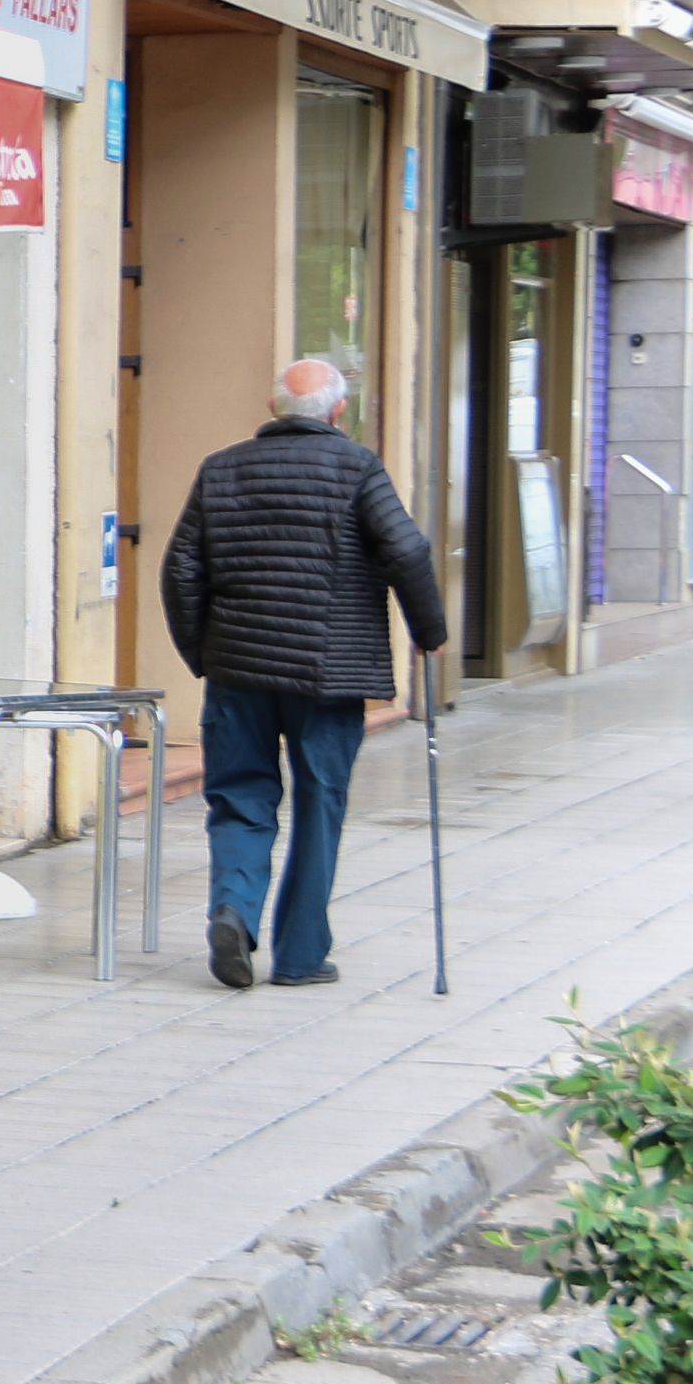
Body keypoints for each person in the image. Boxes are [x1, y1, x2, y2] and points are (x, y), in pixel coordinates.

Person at [158, 358, 448, 992]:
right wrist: (430, 633)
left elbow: (180, 571)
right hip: (329, 674)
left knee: (239, 797)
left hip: (238, 672)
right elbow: (407, 548)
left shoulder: (220, 469)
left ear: (272, 406)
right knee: (321, 804)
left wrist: (203, 656)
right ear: (338, 411)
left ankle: (233, 910)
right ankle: (300, 956)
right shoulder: (357, 468)